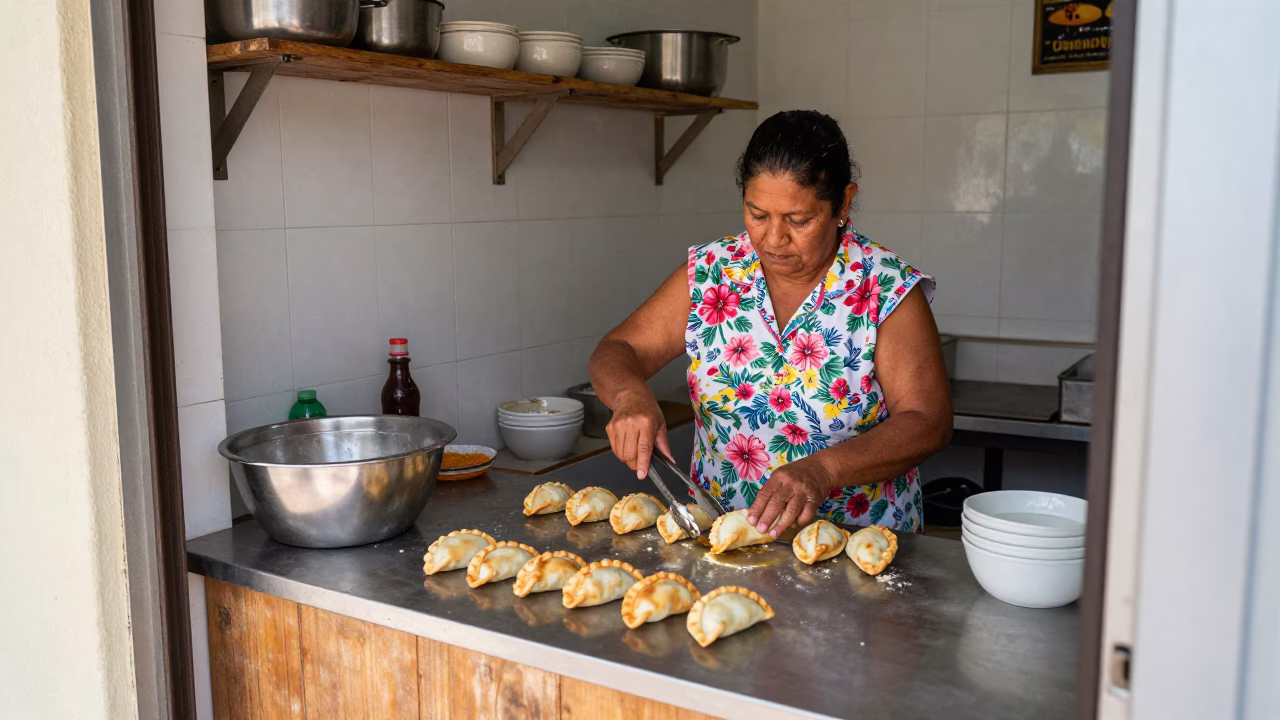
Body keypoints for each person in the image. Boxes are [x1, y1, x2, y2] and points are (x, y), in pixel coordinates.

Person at [589, 110, 952, 535]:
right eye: (757, 214)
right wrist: (629, 395)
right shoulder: (714, 272)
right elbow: (619, 349)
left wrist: (824, 469)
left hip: (860, 545)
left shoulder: (883, 287)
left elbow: (928, 420)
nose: (774, 238)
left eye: (798, 220)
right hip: (722, 537)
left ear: (843, 202)